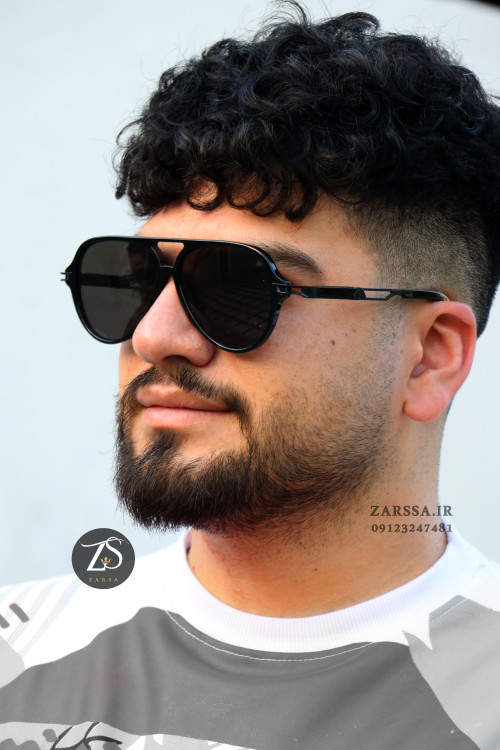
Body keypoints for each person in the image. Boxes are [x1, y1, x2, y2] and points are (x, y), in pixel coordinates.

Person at [1, 5, 499, 749]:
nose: (153, 337)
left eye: (237, 287)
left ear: (430, 356)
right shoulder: (17, 658)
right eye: (134, 279)